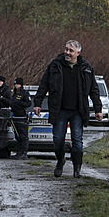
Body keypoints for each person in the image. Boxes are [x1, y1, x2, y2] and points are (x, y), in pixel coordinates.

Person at [33, 40, 103, 178]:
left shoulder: (86, 68)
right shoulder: (55, 65)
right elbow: (43, 84)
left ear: (78, 53)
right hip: (60, 110)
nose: (67, 53)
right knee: (58, 139)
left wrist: (98, 109)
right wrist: (38, 103)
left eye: (71, 51)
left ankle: (77, 169)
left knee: (77, 140)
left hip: (78, 111)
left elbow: (94, 90)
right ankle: (60, 161)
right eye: (66, 49)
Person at [4, 77, 31, 160]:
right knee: (18, 136)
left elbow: (28, 103)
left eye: (18, 84)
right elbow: (11, 103)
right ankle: (19, 152)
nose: (16, 86)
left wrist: (20, 103)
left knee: (23, 136)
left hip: (22, 117)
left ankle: (24, 153)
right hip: (15, 116)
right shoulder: (13, 94)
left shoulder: (24, 93)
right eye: (15, 84)